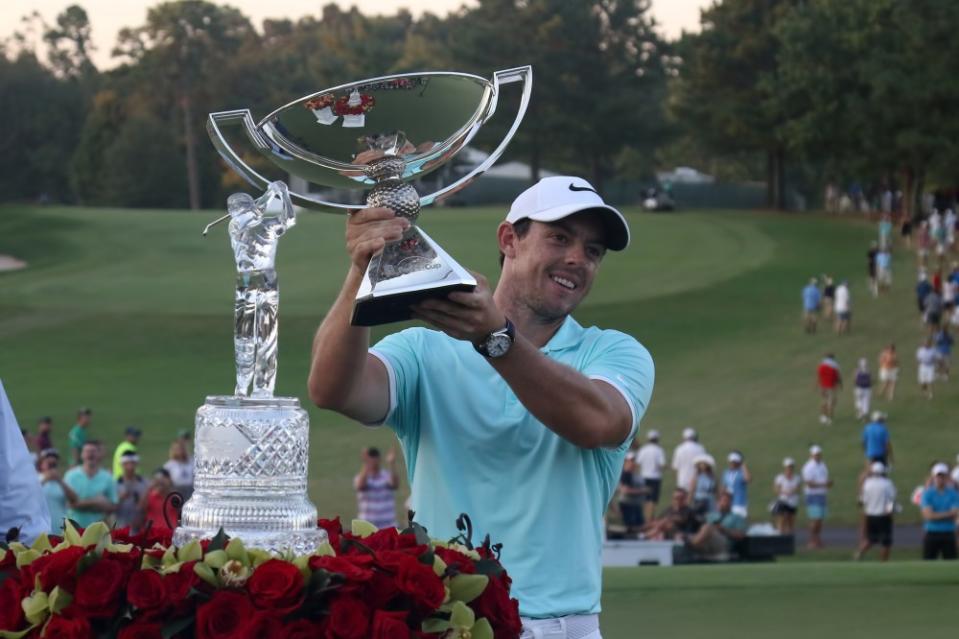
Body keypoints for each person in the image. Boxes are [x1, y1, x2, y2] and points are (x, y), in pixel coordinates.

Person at [308, 175, 653, 631]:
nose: (577, 259)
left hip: (558, 625)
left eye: (593, 251)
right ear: (509, 239)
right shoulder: (424, 350)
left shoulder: (614, 352)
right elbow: (332, 389)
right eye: (559, 237)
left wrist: (496, 341)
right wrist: (362, 268)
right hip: (444, 617)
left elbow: (596, 421)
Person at [228, 182, 297, 398]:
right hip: (255, 283)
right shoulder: (240, 225)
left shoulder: (257, 225)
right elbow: (282, 217)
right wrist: (276, 192)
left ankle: (259, 388)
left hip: (259, 282)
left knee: (264, 337)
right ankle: (248, 387)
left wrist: (278, 194)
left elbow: (284, 218)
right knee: (249, 337)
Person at [63, 440, 117, 529]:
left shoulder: (107, 477)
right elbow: (69, 504)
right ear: (82, 455)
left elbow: (113, 506)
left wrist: (80, 503)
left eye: (93, 452)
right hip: (74, 530)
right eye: (87, 451)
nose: (90, 454)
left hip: (99, 531)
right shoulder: (71, 476)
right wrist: (97, 502)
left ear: (99, 455)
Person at [687, 491, 747, 561]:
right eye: (721, 501)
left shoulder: (737, 518)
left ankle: (690, 545)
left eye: (725, 501)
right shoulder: (710, 516)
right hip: (707, 542)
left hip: (724, 543)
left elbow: (740, 535)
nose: (723, 503)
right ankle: (690, 544)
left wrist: (723, 529)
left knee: (707, 527)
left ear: (731, 503)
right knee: (696, 530)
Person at [855, 461, 896, 561]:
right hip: (883, 516)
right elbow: (891, 500)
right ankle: (883, 563)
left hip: (870, 516)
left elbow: (862, 501)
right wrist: (890, 512)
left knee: (871, 540)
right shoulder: (887, 484)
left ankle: (858, 554)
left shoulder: (867, 484)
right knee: (885, 542)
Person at [353, 446, 400, 530]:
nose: (373, 460)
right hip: (367, 527)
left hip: (388, 526)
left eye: (375, 457)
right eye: (371, 457)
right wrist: (366, 464)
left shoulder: (386, 475)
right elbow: (360, 485)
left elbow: (395, 485)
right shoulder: (361, 477)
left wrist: (391, 464)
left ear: (379, 459)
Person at [920, 463, 959, 560]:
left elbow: (956, 513)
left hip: (948, 533)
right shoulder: (927, 493)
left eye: (943, 476)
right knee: (928, 563)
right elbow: (928, 516)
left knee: (950, 563)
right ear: (933, 477)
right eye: (938, 476)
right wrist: (948, 514)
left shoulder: (953, 494)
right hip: (931, 532)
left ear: (946, 477)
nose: (940, 479)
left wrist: (935, 515)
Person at [38, 449, 76, 535]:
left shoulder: (63, 481)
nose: (52, 467)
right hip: (41, 530)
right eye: (49, 464)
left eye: (54, 465)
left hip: (60, 529)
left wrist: (60, 481)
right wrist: (45, 479)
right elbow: (30, 498)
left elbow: (74, 499)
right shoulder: (36, 479)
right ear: (41, 464)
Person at [802, 445, 833, 549]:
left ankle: (817, 540)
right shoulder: (808, 467)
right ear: (811, 455)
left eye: (819, 454)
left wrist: (827, 484)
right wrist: (824, 484)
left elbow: (824, 479)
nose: (817, 456)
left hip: (822, 494)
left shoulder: (823, 465)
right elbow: (809, 483)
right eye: (815, 454)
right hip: (813, 495)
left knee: (820, 519)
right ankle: (811, 540)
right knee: (814, 519)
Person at [634, 429, 666, 523]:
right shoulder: (659, 450)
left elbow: (637, 463)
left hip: (644, 477)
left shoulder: (643, 449)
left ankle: (645, 519)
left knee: (645, 499)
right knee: (652, 500)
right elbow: (661, 465)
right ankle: (649, 520)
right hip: (655, 478)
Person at [115, 451, 147, 531]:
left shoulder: (145, 483)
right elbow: (109, 508)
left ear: (136, 464)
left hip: (140, 528)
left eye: (132, 463)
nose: (130, 467)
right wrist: (120, 498)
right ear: (122, 464)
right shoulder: (115, 484)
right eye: (127, 464)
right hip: (120, 527)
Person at [672, 427, 706, 493]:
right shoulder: (701, 448)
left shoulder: (679, 449)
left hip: (682, 482)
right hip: (697, 482)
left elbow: (675, 467)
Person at [772, 458, 801, 535]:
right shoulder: (780, 477)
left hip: (793, 502)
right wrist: (784, 492)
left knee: (791, 520)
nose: (789, 468)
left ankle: (789, 537)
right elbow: (776, 489)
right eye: (788, 467)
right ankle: (780, 535)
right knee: (782, 519)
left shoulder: (797, 478)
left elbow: (798, 488)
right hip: (783, 501)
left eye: (791, 467)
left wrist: (792, 491)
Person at [721, 451, 751, 517]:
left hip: (739, 503)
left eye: (734, 462)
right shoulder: (726, 472)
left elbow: (748, 479)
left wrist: (743, 466)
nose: (732, 464)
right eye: (731, 462)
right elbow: (723, 487)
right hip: (728, 503)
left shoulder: (741, 472)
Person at [816, 354, 842, 424]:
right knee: (831, 402)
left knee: (824, 401)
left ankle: (823, 416)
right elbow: (837, 377)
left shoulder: (821, 365)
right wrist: (840, 385)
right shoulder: (834, 366)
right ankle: (829, 419)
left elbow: (819, 376)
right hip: (831, 387)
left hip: (823, 387)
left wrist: (817, 385)